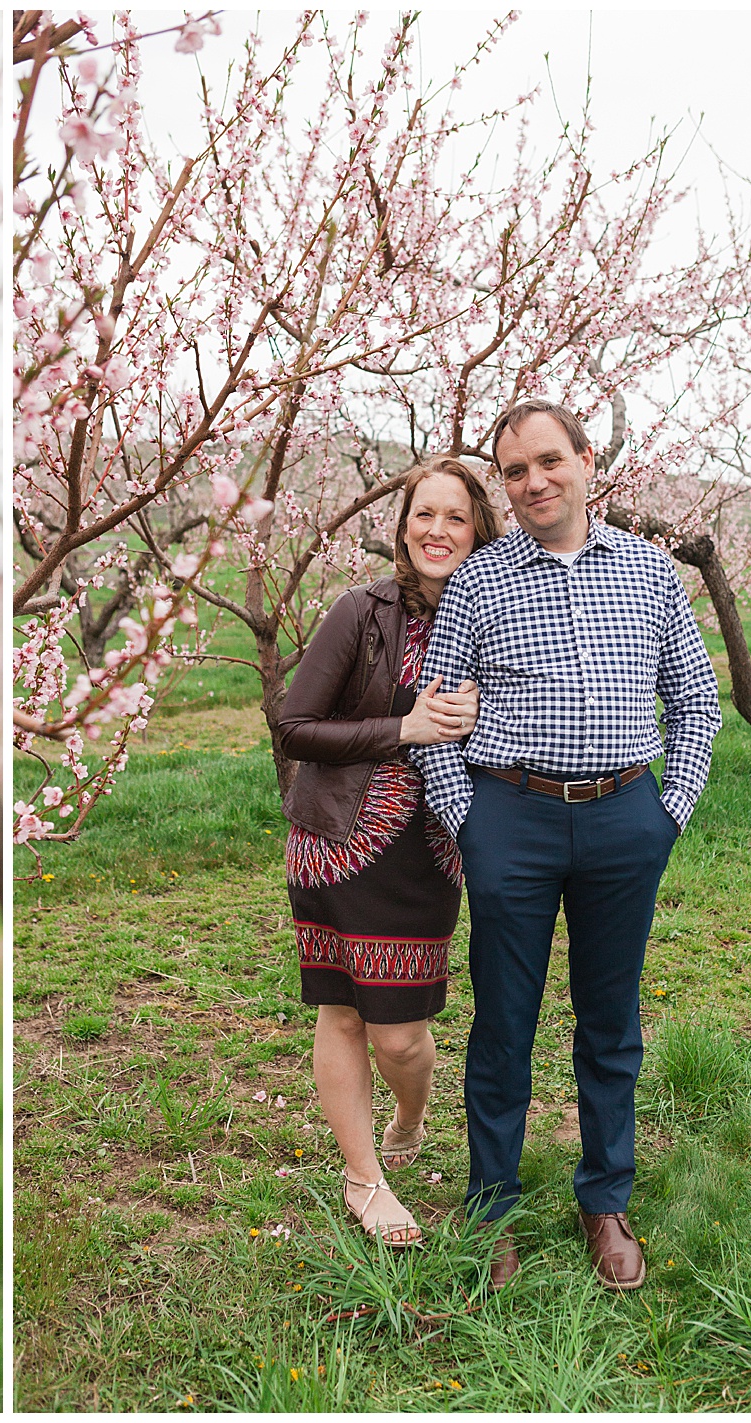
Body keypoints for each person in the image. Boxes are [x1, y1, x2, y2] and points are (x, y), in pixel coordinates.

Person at [413, 400, 722, 1292]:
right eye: (514, 471)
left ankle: (605, 1196)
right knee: (503, 1022)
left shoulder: (652, 573)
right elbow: (436, 717)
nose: (534, 482)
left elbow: (695, 704)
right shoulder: (480, 580)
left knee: (610, 1021)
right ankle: (492, 1203)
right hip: (510, 816)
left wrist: (669, 814)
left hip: (625, 818)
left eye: (550, 461)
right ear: (502, 485)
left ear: (588, 461)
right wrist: (467, 821)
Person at [275, 458, 498, 1247]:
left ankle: (409, 1107)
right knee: (343, 1011)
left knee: (401, 1034)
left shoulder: (500, 614)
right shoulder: (359, 612)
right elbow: (295, 724)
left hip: (431, 850)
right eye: (423, 514)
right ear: (404, 526)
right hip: (338, 842)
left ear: (480, 529)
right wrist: (401, 727)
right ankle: (364, 1178)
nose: (437, 530)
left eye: (456, 517)